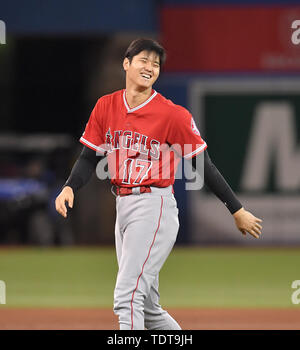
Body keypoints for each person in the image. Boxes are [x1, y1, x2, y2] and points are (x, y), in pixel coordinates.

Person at [55, 38, 262, 330]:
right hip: (123, 207)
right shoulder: (106, 106)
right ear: (126, 64)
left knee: (127, 295)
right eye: (143, 60)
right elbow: (89, 157)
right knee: (149, 310)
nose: (150, 67)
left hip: (154, 206)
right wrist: (69, 187)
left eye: (156, 64)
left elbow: (203, 165)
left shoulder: (172, 114)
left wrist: (236, 209)